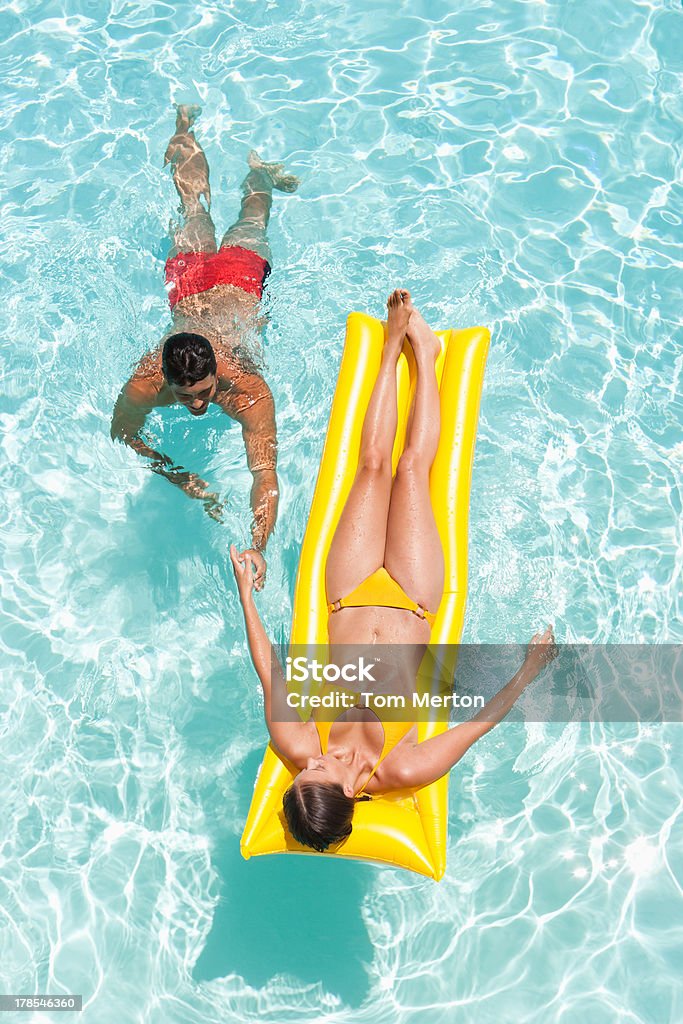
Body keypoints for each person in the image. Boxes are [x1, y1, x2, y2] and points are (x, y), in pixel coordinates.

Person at [230, 289, 557, 852]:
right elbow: (477, 726)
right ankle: (426, 356)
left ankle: (388, 348)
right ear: (349, 794)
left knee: (372, 466)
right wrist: (528, 670)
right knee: (410, 471)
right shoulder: (403, 772)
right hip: (412, 597)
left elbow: (269, 671)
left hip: (348, 594)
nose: (315, 761)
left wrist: (246, 596)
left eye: (304, 771)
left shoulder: (297, 745)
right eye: (321, 772)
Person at [111, 104, 299, 589]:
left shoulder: (249, 391)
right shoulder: (146, 382)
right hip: (192, 285)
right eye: (185, 394)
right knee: (192, 208)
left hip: (237, 279)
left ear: (219, 369)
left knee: (251, 220)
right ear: (166, 378)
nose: (196, 404)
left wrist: (259, 544)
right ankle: (182, 128)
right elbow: (123, 433)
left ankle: (259, 173)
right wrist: (178, 475)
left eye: (204, 392)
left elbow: (265, 475)